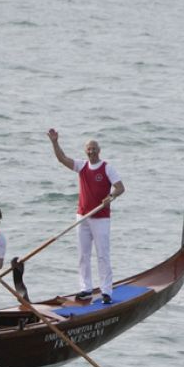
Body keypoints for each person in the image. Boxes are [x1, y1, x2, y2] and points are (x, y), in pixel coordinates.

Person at [46, 129, 126, 304]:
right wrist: (54, 142)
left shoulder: (107, 167)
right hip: (82, 217)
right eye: (89, 149)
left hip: (101, 218)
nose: (91, 152)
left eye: (94, 149)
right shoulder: (82, 166)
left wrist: (111, 197)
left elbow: (120, 187)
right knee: (83, 254)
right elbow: (62, 159)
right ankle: (85, 289)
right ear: (85, 151)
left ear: (99, 150)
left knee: (103, 255)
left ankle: (106, 291)